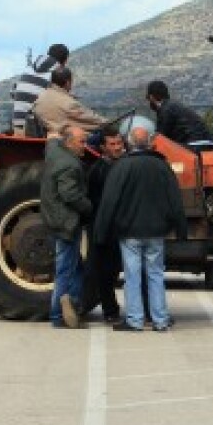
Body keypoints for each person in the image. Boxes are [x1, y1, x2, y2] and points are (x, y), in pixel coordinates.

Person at [94, 125, 187, 333]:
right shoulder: (162, 166)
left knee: (132, 276)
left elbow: (109, 201)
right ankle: (160, 319)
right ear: (149, 143)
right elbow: (175, 199)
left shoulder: (122, 167)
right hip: (156, 232)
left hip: (130, 232)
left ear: (129, 143)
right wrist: (181, 229)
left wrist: (101, 231)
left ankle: (135, 320)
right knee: (155, 275)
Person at [41, 126, 92, 329]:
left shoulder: (54, 151)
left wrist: (53, 133)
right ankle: (57, 316)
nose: (85, 146)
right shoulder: (70, 165)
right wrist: (89, 207)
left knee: (76, 268)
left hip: (53, 219)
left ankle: (75, 306)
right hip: (66, 224)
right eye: (82, 142)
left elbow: (52, 140)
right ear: (69, 142)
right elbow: (70, 195)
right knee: (65, 271)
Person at [83, 127, 126, 323]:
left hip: (121, 227)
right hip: (104, 228)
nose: (117, 148)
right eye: (112, 144)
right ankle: (110, 310)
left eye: (119, 143)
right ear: (102, 147)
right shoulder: (98, 171)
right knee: (105, 272)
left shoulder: (125, 166)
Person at [11, 44, 70, 135]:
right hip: (37, 131)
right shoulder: (56, 74)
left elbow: (13, 93)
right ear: (65, 60)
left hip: (17, 128)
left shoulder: (28, 69)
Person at [33, 67, 106, 139]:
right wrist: (107, 122)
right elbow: (96, 122)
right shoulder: (69, 104)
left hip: (47, 139)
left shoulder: (40, 98)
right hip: (66, 142)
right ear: (68, 83)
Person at [145, 80, 213, 151]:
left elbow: (161, 136)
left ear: (152, 97)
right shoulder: (172, 106)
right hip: (206, 142)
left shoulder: (165, 109)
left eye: (148, 98)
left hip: (193, 144)